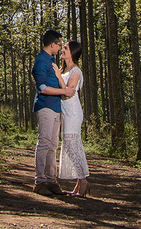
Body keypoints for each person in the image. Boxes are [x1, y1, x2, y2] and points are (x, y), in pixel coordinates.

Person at [32, 29, 76, 196]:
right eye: (59, 45)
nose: (60, 48)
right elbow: (42, 88)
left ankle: (51, 180)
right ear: (52, 44)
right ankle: (40, 181)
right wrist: (63, 92)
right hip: (45, 107)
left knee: (52, 145)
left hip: (56, 107)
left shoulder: (51, 60)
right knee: (44, 143)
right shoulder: (41, 61)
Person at [54, 40, 90, 196]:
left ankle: (84, 181)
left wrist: (58, 76)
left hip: (73, 112)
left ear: (73, 52)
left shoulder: (76, 71)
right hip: (65, 112)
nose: (62, 50)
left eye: (66, 48)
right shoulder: (63, 69)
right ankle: (79, 183)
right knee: (70, 146)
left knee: (72, 146)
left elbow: (69, 91)